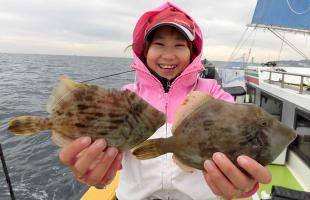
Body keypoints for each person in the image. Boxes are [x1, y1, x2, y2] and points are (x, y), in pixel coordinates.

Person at [59, 2, 271, 200]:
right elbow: (112, 159)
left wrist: (244, 183)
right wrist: (95, 170)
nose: (168, 55)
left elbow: (242, 144)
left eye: (179, 45)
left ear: (192, 52)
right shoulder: (126, 96)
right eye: (159, 44)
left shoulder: (213, 94)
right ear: (145, 50)